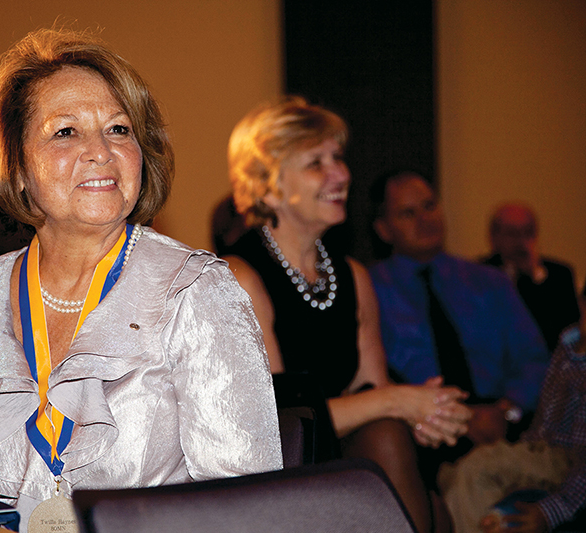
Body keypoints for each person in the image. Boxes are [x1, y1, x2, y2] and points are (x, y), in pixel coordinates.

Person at [0, 28, 282, 533]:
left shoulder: (193, 292)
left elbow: (249, 511)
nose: (100, 151)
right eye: (65, 132)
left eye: (118, 129)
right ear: (16, 165)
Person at [221, 97, 470, 533]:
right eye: (317, 163)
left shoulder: (352, 275)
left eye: (337, 157)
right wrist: (399, 402)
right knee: (396, 449)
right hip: (277, 468)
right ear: (269, 186)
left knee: (419, 480)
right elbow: (281, 425)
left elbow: (368, 388)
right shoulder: (240, 276)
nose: (342, 173)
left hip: (351, 453)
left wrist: (424, 414)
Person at [369, 171, 549, 462]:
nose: (424, 220)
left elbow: (535, 358)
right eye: (408, 213)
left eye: (430, 206)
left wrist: (508, 410)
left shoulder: (489, 282)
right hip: (420, 433)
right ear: (383, 229)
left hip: (501, 423)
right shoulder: (370, 290)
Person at [439, 307, 586, 533]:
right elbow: (543, 421)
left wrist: (552, 511)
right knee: (450, 477)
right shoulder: (567, 346)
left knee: (476, 470)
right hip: (537, 447)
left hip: (568, 461)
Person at [482, 202, 580, 353]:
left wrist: (535, 277)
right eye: (512, 233)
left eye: (528, 233)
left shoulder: (559, 275)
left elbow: (566, 333)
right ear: (494, 237)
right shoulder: (479, 273)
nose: (521, 241)